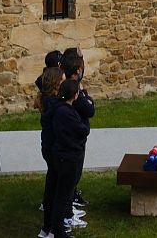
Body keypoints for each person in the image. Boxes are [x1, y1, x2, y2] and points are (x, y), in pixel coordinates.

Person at [51, 79, 90, 238]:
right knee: (63, 196)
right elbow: (83, 130)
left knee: (62, 195)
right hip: (68, 157)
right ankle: (58, 232)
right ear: (75, 95)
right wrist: (85, 121)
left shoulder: (60, 109)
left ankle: (57, 228)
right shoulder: (66, 112)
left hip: (63, 155)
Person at [62, 47, 94, 209]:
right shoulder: (74, 90)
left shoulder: (67, 84)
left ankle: (69, 200)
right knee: (72, 174)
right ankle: (68, 207)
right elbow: (89, 110)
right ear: (76, 71)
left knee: (69, 175)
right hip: (75, 140)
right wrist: (86, 95)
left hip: (72, 139)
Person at [38, 66, 65, 238]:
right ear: (56, 84)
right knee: (58, 192)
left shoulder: (47, 101)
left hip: (48, 148)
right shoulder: (55, 104)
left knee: (51, 187)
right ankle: (54, 230)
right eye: (62, 81)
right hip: (55, 150)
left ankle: (46, 228)